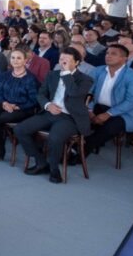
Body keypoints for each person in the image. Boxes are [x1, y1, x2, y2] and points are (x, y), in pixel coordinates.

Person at [15, 48, 95, 183]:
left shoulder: (85, 79)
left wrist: (67, 74)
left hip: (70, 117)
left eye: (68, 60)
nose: (63, 62)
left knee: (55, 137)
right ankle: (41, 162)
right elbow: (40, 94)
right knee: (20, 129)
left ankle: (54, 169)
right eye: (61, 59)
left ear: (76, 63)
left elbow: (74, 93)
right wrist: (48, 105)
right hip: (50, 112)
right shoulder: (52, 74)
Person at [0, 49, 40, 161]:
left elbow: (33, 100)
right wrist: (4, 103)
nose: (15, 60)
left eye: (19, 58)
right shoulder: (4, 75)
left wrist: (17, 106)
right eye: (13, 57)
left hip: (22, 109)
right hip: (4, 104)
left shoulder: (31, 79)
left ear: (25, 61)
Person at [85, 44, 133, 154]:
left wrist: (108, 114)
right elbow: (88, 93)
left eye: (113, 54)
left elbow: (132, 101)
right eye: (107, 53)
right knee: (76, 119)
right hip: (98, 107)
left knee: (110, 127)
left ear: (124, 59)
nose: (108, 56)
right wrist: (89, 110)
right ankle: (74, 147)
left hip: (123, 113)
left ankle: (82, 150)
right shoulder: (98, 71)